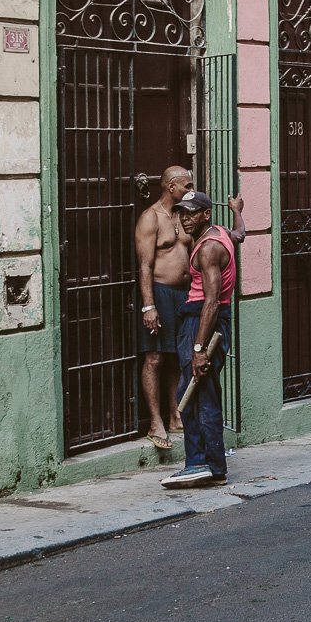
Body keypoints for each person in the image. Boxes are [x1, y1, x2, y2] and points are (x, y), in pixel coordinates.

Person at [135, 167, 244, 450]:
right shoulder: (150, 218)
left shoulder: (187, 218)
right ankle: (156, 421)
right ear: (171, 186)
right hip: (161, 293)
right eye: (187, 185)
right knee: (155, 357)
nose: (190, 189)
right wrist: (149, 305)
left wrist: (236, 211)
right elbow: (145, 266)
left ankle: (175, 415)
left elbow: (236, 236)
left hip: (187, 295)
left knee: (177, 358)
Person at [161, 190, 237, 488]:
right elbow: (241, 233)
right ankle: (212, 467)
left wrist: (199, 348)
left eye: (192, 212)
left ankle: (200, 463)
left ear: (206, 214)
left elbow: (212, 300)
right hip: (206, 321)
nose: (185, 218)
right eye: (181, 212)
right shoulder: (222, 232)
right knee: (199, 392)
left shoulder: (208, 249)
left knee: (193, 395)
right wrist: (238, 210)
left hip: (201, 323)